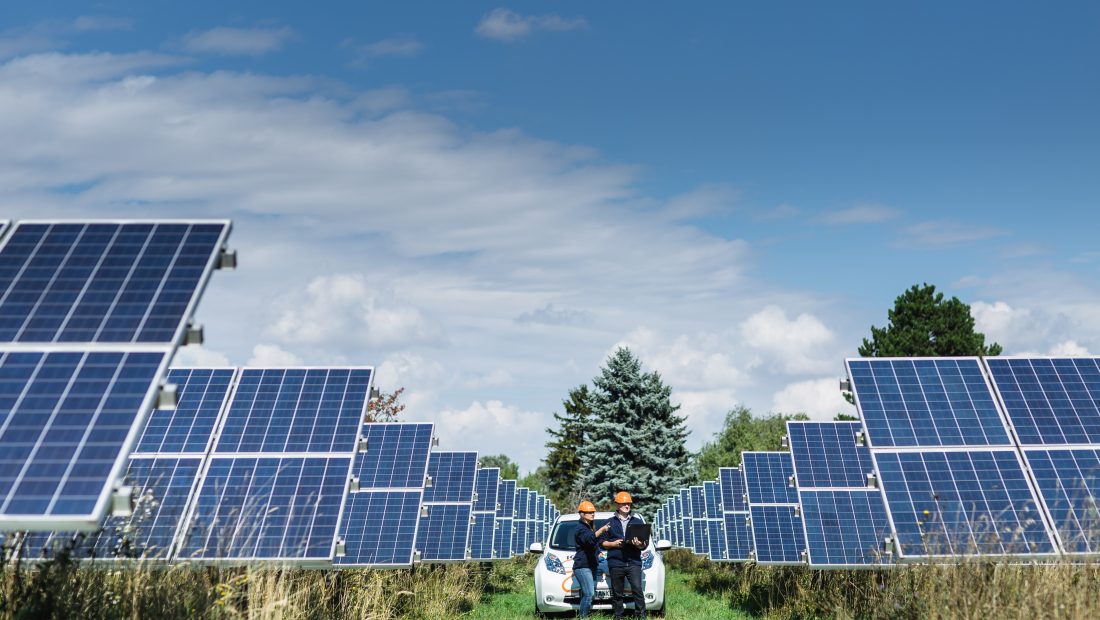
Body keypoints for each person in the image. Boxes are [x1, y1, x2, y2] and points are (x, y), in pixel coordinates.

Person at [599, 491, 647, 619]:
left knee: (637, 589)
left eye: (629, 503)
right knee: (617, 592)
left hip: (633, 562)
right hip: (616, 562)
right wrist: (613, 544)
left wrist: (638, 544)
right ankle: (618, 616)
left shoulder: (638, 522)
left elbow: (644, 545)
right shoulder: (609, 522)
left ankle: (641, 616)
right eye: (624, 503)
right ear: (618, 505)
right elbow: (601, 542)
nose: (627, 505)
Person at [573, 500, 610, 618]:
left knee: (588, 594)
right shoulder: (580, 528)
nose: (592, 514)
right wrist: (602, 530)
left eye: (593, 512)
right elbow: (589, 539)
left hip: (591, 565)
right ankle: (583, 617)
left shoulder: (589, 527)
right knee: (589, 594)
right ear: (582, 514)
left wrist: (598, 553)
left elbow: (592, 545)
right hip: (583, 566)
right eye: (589, 512)